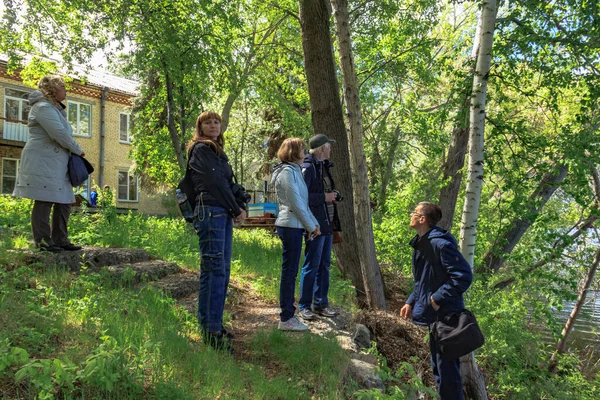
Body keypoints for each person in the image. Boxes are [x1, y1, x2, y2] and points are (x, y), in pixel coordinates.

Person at [400, 202, 473, 400]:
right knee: (439, 369)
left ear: (422, 219)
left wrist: (436, 298)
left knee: (448, 373)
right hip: (435, 315)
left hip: (447, 316)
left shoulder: (439, 244)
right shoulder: (422, 242)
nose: (411, 215)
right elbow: (424, 280)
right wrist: (411, 301)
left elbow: (463, 276)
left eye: (414, 212)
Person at [188, 111, 247, 352]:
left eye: (216, 122)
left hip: (220, 212)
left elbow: (228, 182)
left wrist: (241, 199)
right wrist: (236, 209)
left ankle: (213, 324)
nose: (213, 125)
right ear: (200, 127)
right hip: (211, 211)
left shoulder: (216, 151)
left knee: (221, 270)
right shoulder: (200, 149)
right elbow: (215, 184)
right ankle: (211, 331)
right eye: (207, 122)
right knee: (214, 271)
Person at [13, 75, 85, 252]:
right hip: (43, 160)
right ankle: (43, 240)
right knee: (45, 199)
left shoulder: (55, 109)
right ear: (53, 89)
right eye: (62, 86)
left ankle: (61, 239)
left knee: (65, 200)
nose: (66, 90)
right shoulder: (43, 107)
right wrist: (78, 150)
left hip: (57, 162)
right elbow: (59, 134)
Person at [271, 138, 320, 332]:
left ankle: (288, 314)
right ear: (293, 152)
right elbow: (295, 203)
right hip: (289, 225)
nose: (305, 151)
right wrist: (310, 226)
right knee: (289, 273)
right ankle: (286, 317)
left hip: (295, 225)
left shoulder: (295, 171)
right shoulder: (286, 172)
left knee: (291, 272)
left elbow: (303, 203)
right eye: (302, 148)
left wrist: (313, 224)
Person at [298, 134, 341, 320]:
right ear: (323, 148)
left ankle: (321, 304)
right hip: (314, 224)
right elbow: (302, 197)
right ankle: (304, 305)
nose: (331, 149)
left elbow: (323, 192)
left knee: (324, 264)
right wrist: (325, 197)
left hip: (327, 223)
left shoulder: (322, 166)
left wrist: (333, 195)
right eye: (329, 146)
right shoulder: (308, 167)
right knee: (312, 264)